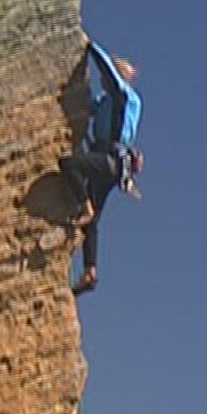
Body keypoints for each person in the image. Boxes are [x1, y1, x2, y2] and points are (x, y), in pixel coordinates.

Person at [59, 40, 143, 296]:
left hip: (110, 161)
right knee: (93, 220)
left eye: (112, 75)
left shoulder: (125, 96)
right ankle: (90, 272)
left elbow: (108, 72)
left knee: (68, 164)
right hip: (109, 163)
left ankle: (84, 204)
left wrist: (91, 47)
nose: (105, 80)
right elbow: (87, 109)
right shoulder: (106, 100)